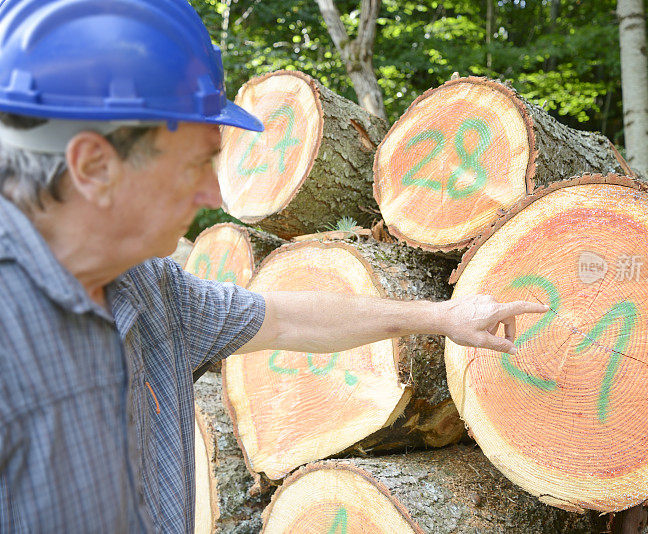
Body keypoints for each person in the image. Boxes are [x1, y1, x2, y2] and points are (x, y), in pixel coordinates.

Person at [0, 0, 547, 532]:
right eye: (193, 165)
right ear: (95, 167)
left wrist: (443, 318)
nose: (212, 191)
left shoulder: (152, 291)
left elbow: (287, 318)